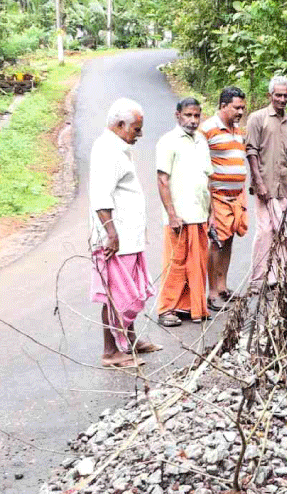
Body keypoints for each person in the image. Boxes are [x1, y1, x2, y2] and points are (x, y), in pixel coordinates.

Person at [89, 98, 162, 368]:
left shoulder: (118, 147)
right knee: (115, 295)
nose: (140, 135)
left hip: (128, 238)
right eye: (136, 129)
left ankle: (129, 341)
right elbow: (101, 196)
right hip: (116, 239)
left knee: (129, 291)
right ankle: (110, 352)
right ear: (120, 125)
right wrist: (111, 234)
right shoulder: (107, 150)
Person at [155, 97, 213, 327]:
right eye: (188, 115)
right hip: (178, 216)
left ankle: (189, 307)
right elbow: (162, 179)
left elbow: (208, 177)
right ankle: (166, 309)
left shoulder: (201, 140)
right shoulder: (168, 141)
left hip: (199, 213)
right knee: (176, 263)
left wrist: (211, 211)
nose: (192, 120)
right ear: (177, 115)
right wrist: (171, 214)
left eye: (196, 116)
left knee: (197, 263)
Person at [245, 76, 287, 295]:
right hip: (265, 185)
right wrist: (258, 182)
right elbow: (251, 151)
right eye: (278, 95)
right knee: (265, 231)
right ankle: (257, 280)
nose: (282, 99)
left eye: (286, 95)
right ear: (270, 95)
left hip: (285, 184)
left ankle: (279, 277)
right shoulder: (257, 118)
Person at [199, 87, 248, 309]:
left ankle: (223, 287)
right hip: (217, 196)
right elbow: (201, 165)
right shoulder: (208, 129)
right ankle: (212, 293)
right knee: (217, 242)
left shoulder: (238, 130)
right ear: (223, 106)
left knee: (228, 240)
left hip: (236, 196)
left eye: (242, 108)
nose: (240, 112)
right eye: (236, 108)